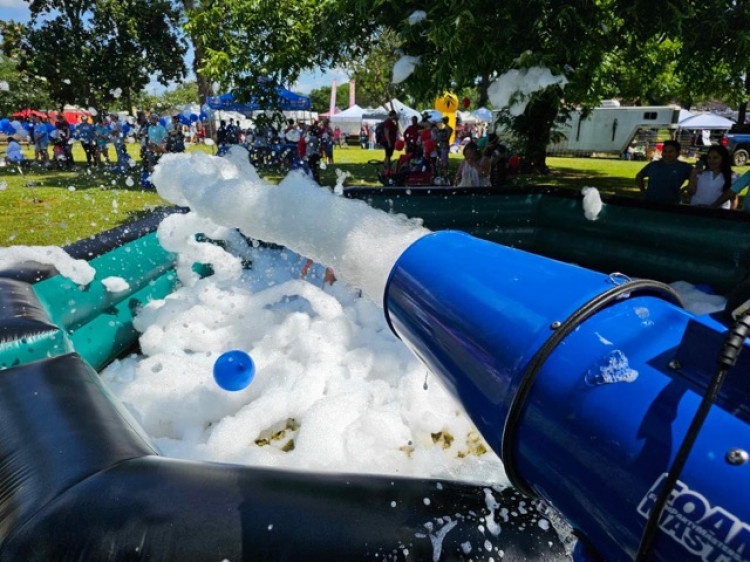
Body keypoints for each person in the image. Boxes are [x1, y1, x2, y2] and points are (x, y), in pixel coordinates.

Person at [635, 140, 693, 204]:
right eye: (664, 151)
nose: (667, 154)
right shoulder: (653, 165)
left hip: (672, 203)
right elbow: (639, 176)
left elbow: (697, 179)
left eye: (671, 152)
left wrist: (684, 188)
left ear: (677, 153)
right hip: (650, 202)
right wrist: (643, 191)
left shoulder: (684, 167)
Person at [686, 145, 736, 209]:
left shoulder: (732, 176)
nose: (711, 160)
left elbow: (734, 199)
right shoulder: (700, 173)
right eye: (709, 158)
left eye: (715, 158)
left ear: (723, 159)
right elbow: (690, 192)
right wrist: (693, 175)